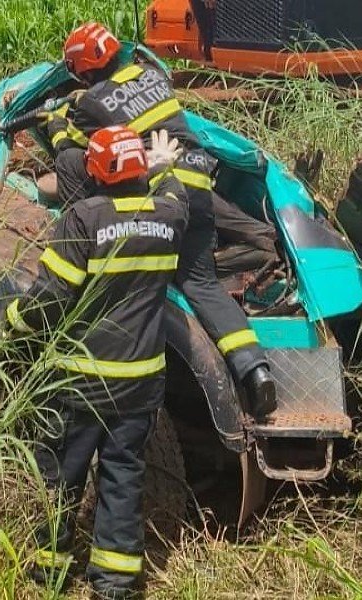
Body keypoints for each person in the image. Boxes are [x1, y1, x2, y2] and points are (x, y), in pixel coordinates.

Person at [42, 22, 276, 417]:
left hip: (161, 189)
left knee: (67, 159)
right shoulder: (153, 75)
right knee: (202, 283)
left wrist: (57, 123)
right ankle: (254, 369)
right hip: (199, 187)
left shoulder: (90, 104)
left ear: (83, 71)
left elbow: (86, 158)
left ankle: (79, 238)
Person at [0, 125, 188, 599]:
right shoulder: (168, 217)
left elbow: (49, 301)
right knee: (124, 477)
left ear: (96, 170)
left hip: (81, 380)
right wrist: (164, 169)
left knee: (60, 475)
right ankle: (115, 583)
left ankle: (50, 569)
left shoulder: (84, 219)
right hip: (141, 382)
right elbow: (176, 194)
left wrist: (7, 322)